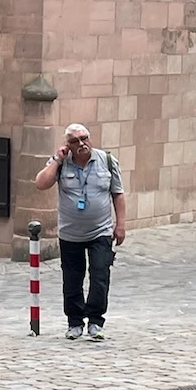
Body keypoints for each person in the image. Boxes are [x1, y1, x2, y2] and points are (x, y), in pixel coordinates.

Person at [34, 123, 125, 340]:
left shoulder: (107, 161)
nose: (82, 144)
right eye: (75, 141)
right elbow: (41, 183)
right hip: (70, 233)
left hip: (100, 231)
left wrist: (120, 225)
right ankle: (74, 322)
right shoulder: (61, 163)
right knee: (72, 279)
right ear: (68, 145)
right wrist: (57, 159)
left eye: (84, 138)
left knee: (100, 275)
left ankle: (95, 321)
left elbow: (118, 193)